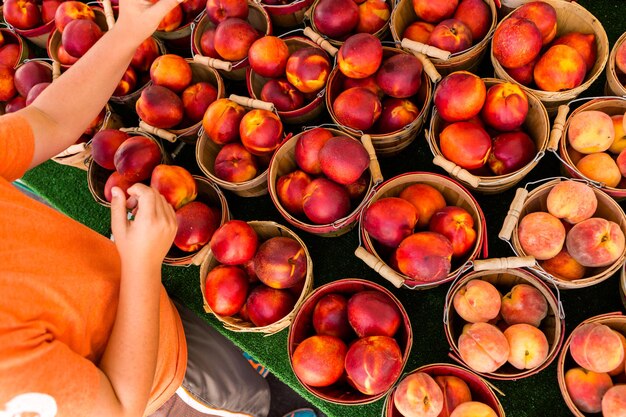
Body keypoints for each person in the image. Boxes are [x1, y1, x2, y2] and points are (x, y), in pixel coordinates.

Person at [0, 0, 315, 416]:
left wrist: (128, 31)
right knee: (240, 400)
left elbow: (47, 118)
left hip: (137, 291)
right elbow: (119, 406)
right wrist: (141, 266)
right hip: (159, 381)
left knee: (231, 367)